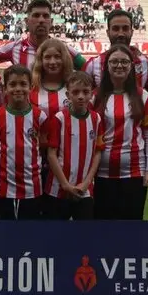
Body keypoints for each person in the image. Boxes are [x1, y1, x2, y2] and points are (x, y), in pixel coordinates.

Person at [92, 44, 148, 220]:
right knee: (103, 225)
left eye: (124, 61)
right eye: (114, 61)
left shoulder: (142, 95)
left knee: (131, 224)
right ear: (106, 66)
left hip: (135, 172)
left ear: (131, 66)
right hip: (101, 173)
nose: (119, 66)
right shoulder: (96, 96)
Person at [0, 65, 48, 220]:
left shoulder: (40, 116)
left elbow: (44, 149)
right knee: (3, 231)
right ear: (4, 88)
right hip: (1, 186)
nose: (18, 88)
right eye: (13, 84)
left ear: (31, 87)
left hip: (31, 186)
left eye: (23, 84)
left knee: (29, 231)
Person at [43, 71, 103, 221]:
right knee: (56, 236)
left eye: (85, 92)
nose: (81, 96)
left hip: (84, 189)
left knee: (83, 237)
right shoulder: (59, 118)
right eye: (76, 92)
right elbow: (51, 154)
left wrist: (87, 182)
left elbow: (97, 152)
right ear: (68, 95)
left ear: (91, 94)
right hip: (58, 189)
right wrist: (65, 184)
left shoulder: (96, 119)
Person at [0, 0, 88, 69]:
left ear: (51, 22)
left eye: (45, 16)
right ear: (26, 21)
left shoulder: (63, 49)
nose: (41, 20)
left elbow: (88, 68)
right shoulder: (14, 47)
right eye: (36, 15)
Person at [84, 9, 148, 92]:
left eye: (125, 28)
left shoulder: (145, 63)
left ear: (132, 32)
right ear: (108, 32)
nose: (120, 33)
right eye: (116, 29)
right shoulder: (93, 64)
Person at [29, 37, 74, 117]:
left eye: (57, 57)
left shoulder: (74, 86)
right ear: (40, 60)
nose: (52, 62)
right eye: (47, 57)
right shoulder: (30, 87)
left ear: (64, 59)